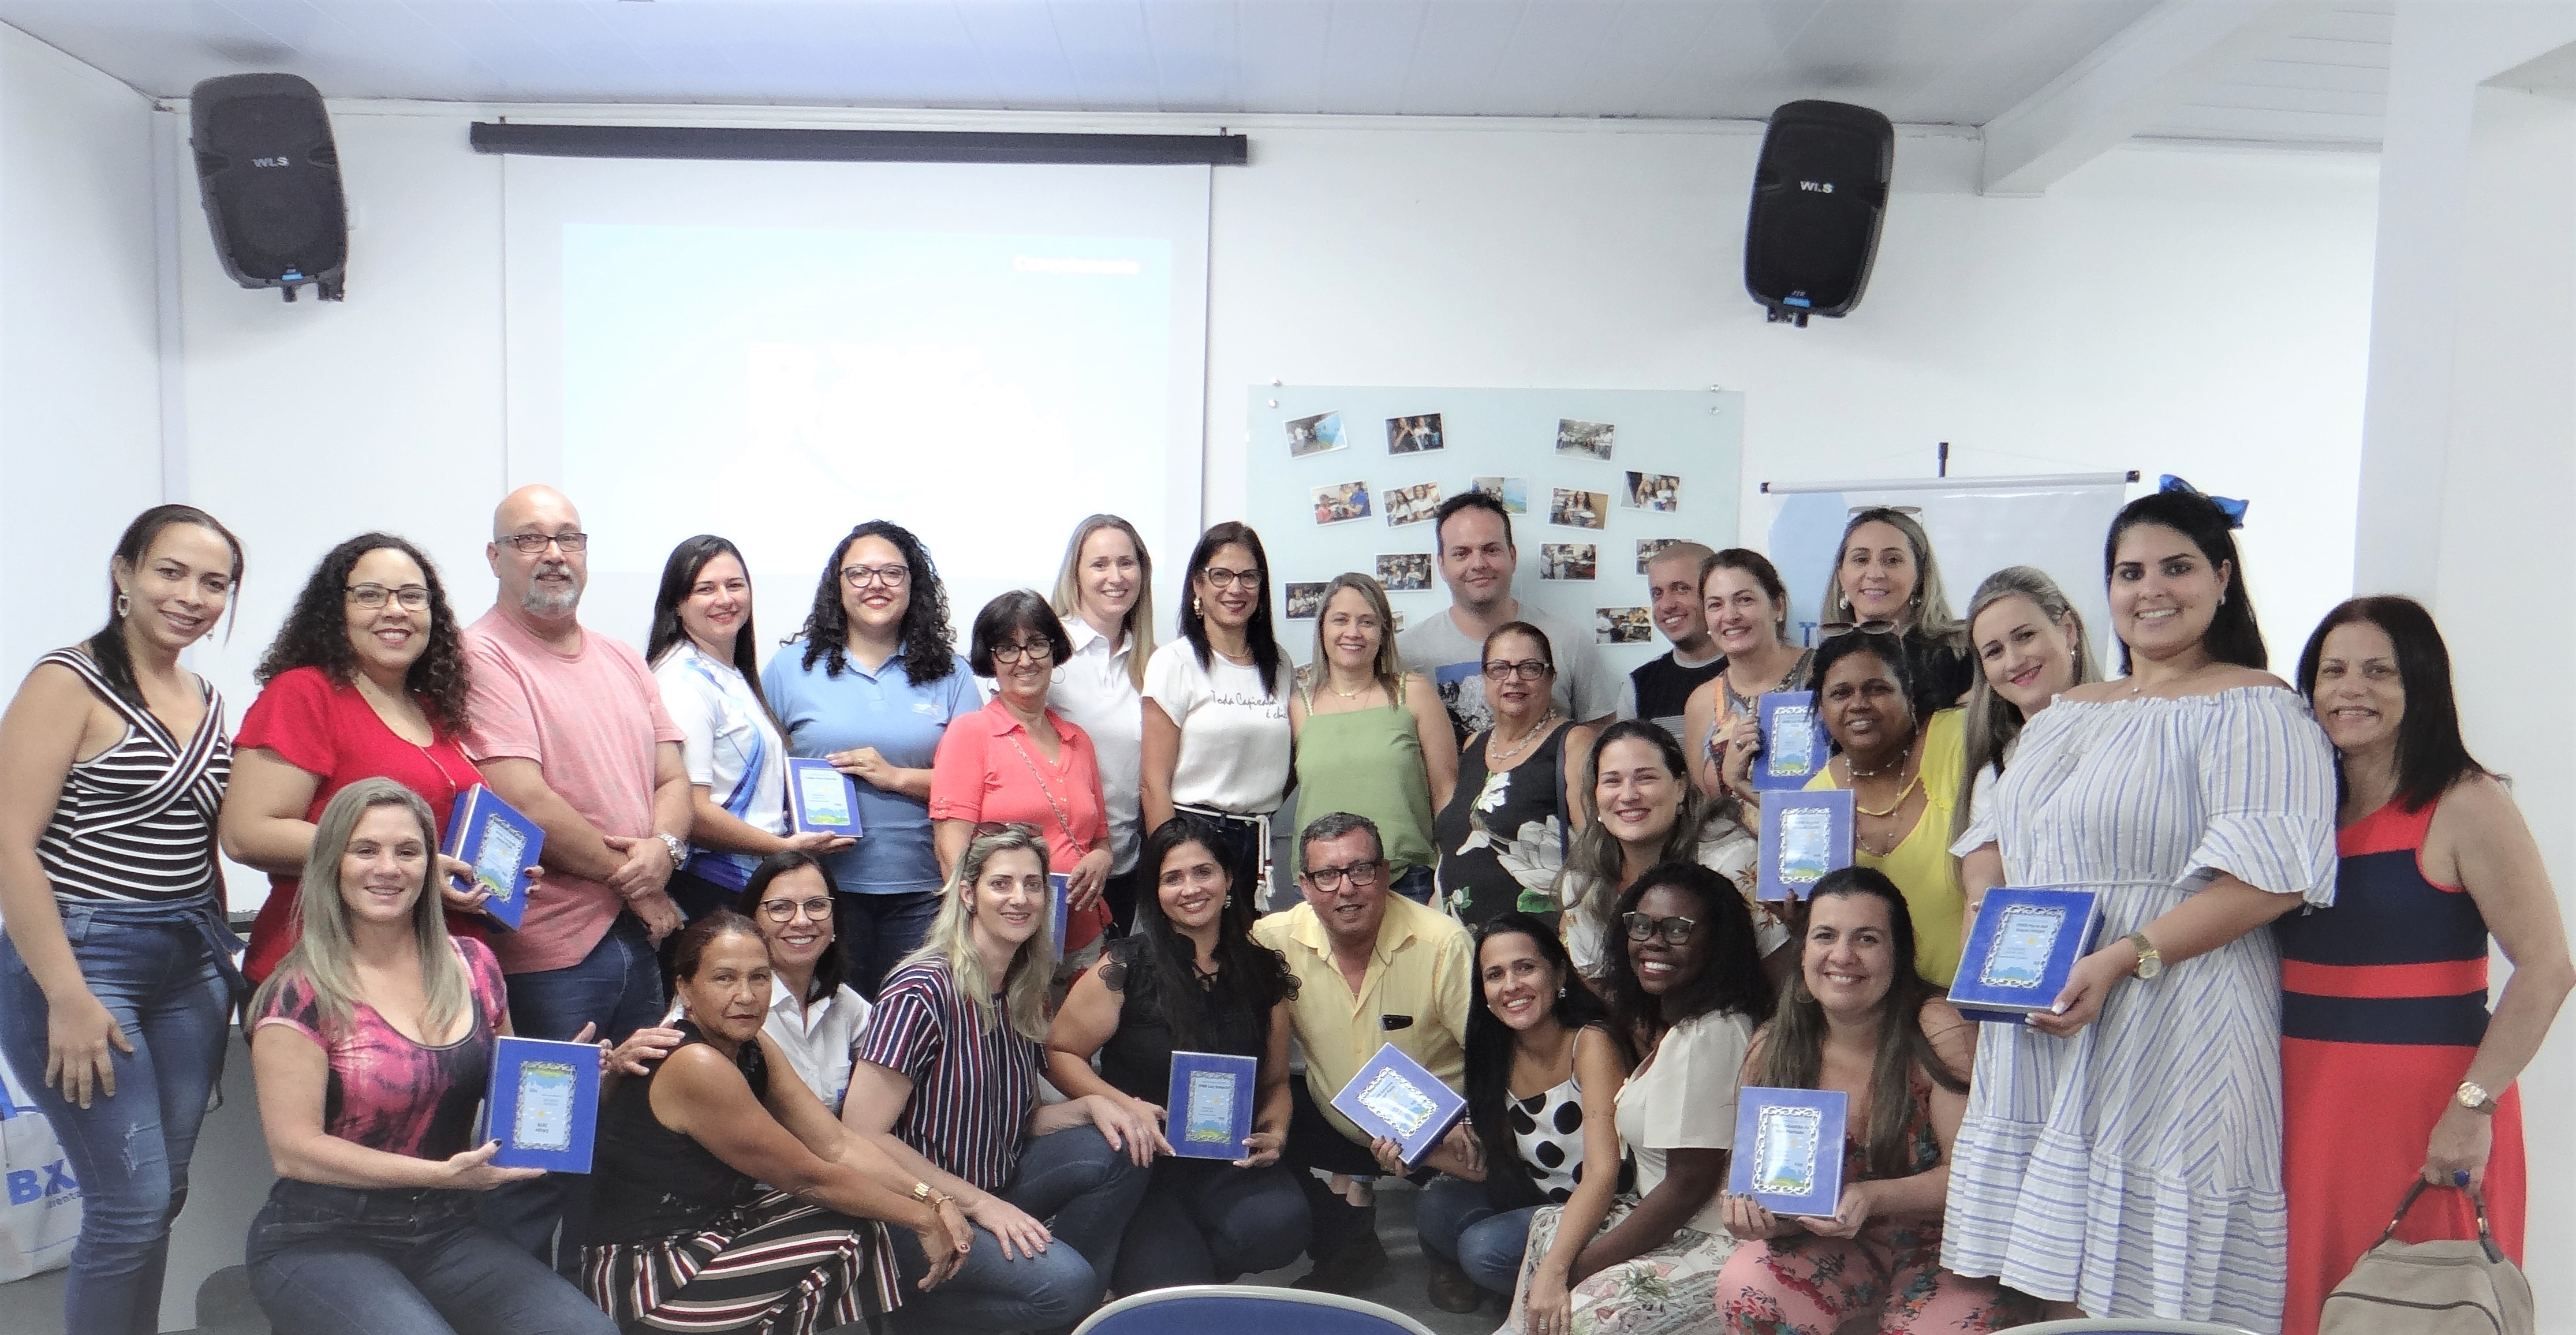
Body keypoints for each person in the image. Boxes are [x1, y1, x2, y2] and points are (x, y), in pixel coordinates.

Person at [1943, 487, 2336, 1329]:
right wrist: (1986, 917)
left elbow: (2272, 880)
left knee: (2144, 1293)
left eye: (2175, 568)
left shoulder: (2258, 707)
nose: (2150, 590)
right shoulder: (2063, 715)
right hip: (2048, 1013)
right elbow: (1997, 833)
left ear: (2222, 578)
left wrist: (2121, 959)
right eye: (2129, 573)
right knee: (2045, 1278)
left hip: (2173, 1014)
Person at [2277, 597, 2573, 1335]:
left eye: (2378, 672)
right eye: (2332, 671)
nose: (2351, 689)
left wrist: (2472, 1108)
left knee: (2422, 1310)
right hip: (2301, 1108)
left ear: (2421, 685)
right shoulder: (2300, 812)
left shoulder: (2465, 802)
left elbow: (2547, 966)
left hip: (2426, 1120)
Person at [242, 780, 619, 1335]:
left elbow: (506, 1104)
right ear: (333, 863)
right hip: (321, 1238)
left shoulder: (475, 964)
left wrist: (575, 1077)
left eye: (408, 851)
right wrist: (443, 1175)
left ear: (431, 865)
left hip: (445, 1230)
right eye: (365, 849)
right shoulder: (299, 991)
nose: (388, 868)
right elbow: (296, 1152)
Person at [0, 504, 244, 1335]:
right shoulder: (66, 680)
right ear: (124, 573)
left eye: (214, 583)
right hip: (84, 957)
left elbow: (201, 844)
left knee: (160, 1197)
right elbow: (11, 844)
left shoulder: (209, 699)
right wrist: (65, 995)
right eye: (171, 572)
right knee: (129, 1204)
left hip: (191, 959)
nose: (191, 596)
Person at [460, 485, 693, 1257]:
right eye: (529, 539)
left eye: (568, 537)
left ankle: (592, 1304)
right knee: (538, 1160)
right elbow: (521, 797)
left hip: (633, 943)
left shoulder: (622, 657)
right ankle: (515, 1304)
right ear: (495, 557)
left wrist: (664, 850)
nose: (553, 553)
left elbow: (672, 778)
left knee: (626, 1148)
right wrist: (641, 880)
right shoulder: (481, 655)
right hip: (548, 954)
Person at [584, 910, 970, 1334]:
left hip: (708, 1230)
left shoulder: (752, 1043)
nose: (746, 995)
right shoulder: (694, 1064)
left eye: (760, 977)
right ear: (685, 988)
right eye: (724, 978)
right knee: (847, 1222)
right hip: (643, 1272)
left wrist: (933, 1197)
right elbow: (809, 1178)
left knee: (862, 1208)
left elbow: (836, 1143)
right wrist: (922, 1217)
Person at [844, 826, 1157, 1335]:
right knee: (1068, 1286)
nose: (1020, 898)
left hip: (993, 1180)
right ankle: (913, 1318)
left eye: (1033, 884)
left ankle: (1058, 1306)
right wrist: (980, 1205)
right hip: (917, 1206)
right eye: (1001, 883)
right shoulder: (921, 990)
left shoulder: (1021, 986)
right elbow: (862, 1133)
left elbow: (1017, 1118)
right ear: (969, 894)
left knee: (1126, 1143)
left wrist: (1090, 1106)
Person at [1712, 867, 2032, 1334]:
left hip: (1948, 1247)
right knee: (1746, 1285)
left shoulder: (1938, 1026)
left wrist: (1872, 1196)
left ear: (1898, 953)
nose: (1843, 955)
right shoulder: (1772, 1045)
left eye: (1867, 938)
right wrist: (1760, 1220)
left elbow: (1976, 1176)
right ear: (1804, 950)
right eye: (1825, 935)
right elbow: (1757, 1185)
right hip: (1833, 1247)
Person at [1498, 862, 1771, 1335]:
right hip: (1674, 1224)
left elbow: (1688, 1186)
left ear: (1717, 941)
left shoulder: (1711, 1032)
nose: (1653, 941)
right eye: (1641, 925)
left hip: (1712, 1240)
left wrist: (1579, 1269)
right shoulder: (1681, 1026)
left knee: (1583, 1312)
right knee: (1548, 1227)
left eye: (1678, 929)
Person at [1043, 815, 1308, 1292]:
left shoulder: (1261, 970)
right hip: (1141, 1160)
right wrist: (1123, 1106)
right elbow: (1060, 1051)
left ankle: (1196, 1259)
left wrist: (1277, 1132)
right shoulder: (1125, 966)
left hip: (1225, 1157)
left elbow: (1275, 1082)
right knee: (1171, 1288)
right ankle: (1169, 1260)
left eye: (1203, 872)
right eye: (1173, 878)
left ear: (1228, 879)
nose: (1191, 889)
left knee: (1281, 1226)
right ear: (1156, 891)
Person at [226, 533, 493, 986]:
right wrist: (415, 864)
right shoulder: (304, 693)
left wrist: (498, 876)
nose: (395, 610)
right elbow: (247, 833)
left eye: (412, 596)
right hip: (325, 973)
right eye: (370, 595)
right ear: (336, 610)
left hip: (431, 970)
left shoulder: (431, 707)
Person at [1253, 812, 1474, 1293]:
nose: (1346, 889)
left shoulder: (1443, 944)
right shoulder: (1272, 941)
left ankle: (1448, 1250)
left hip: (1437, 1133)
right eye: (1327, 875)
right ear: (1304, 886)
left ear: (1386, 871)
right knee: (1248, 1114)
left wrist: (1471, 1123)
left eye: (1361, 869)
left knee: (1473, 1188)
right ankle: (1348, 1244)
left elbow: (1493, 1056)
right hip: (1335, 1118)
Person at [764, 521, 977, 999]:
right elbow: (763, 774)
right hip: (819, 893)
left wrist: (897, 777)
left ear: (913, 584)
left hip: (924, 888)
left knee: (914, 1022)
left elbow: (975, 782)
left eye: (891, 573)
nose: (875, 584)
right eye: (859, 573)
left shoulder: (952, 672)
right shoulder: (790, 669)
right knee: (827, 1019)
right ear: (837, 585)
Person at [1378, 913, 1629, 1313]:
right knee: (1437, 1204)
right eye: (1494, 975)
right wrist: (1414, 1156)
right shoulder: (1496, 1053)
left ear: (1559, 974)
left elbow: (1603, 1175)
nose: (1511, 986)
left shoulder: (1591, 1042)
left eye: (1525, 967)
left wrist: (1552, 1270)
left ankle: (1551, 1290)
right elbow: (1498, 1167)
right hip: (1545, 1201)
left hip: (1610, 1209)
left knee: (1483, 1250)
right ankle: (1527, 1284)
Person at [1725, 631, 1969, 988]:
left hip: (1973, 996)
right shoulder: (1815, 796)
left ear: (1909, 695)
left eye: (1877, 689)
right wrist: (1803, 920)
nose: (1859, 704)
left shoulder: (1958, 739)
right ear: (1821, 711)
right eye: (1841, 694)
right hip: (1878, 1004)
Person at [647, 534, 849, 929]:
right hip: (711, 885)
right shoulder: (684, 681)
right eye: (706, 589)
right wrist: (783, 847)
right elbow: (691, 811)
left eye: (735, 585)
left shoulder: (728, 672)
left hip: (744, 880)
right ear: (677, 602)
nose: (725, 599)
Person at [931, 591, 1114, 971]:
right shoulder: (970, 733)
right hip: (1005, 944)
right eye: (1008, 649)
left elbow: (1100, 839)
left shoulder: (1078, 740)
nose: (1025, 660)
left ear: (1054, 651)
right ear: (990, 659)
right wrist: (985, 943)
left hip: (1083, 937)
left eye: (1036, 644)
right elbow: (952, 855)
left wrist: (1101, 858)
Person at [1562, 721, 1790, 986]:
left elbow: (1780, 978)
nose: (1628, 795)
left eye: (1646, 778)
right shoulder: (1583, 880)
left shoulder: (1730, 862)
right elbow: (1601, 987)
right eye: (1612, 781)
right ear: (1595, 795)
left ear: (1681, 787)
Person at [1141, 522, 1292, 917]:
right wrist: (1173, 864)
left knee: (1248, 950)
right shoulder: (1174, 662)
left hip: (1260, 840)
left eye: (1248, 576)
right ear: (1198, 584)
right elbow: (1153, 782)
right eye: (1221, 575)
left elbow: (1289, 760)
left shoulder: (1279, 664)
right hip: (1195, 835)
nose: (1235, 588)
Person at [1289, 573, 1458, 902]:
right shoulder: (1298, 707)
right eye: (1341, 620)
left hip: (1408, 881)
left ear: (1384, 633)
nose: (1353, 632)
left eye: (1367, 622)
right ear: (1322, 628)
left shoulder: (1414, 693)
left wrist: (1449, 873)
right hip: (1322, 887)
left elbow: (1445, 790)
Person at [1401, 492, 1617, 742]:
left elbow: (1602, 744)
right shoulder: (1406, 655)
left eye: (1491, 550)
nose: (1478, 564)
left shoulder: (1570, 642)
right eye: (1461, 553)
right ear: (1441, 566)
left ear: (1512, 557)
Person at [1952, 566, 2098, 926]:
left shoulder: (2136, 728)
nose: (2014, 661)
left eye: (2025, 636)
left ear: (2068, 630)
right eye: (1994, 652)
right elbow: (1982, 906)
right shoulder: (1994, 774)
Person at [1432, 623, 1594, 929]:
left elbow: (1594, 849)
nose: (1513, 679)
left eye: (1530, 668)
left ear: (1551, 677)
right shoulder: (1473, 745)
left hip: (1537, 939)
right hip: (1463, 940)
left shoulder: (1573, 742)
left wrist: (1574, 925)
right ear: (1484, 677)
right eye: (1500, 668)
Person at [1047, 515, 1156, 935]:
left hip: (1125, 865)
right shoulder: (1047, 652)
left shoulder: (1155, 662)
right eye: (1100, 564)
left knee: (1114, 976)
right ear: (1075, 574)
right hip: (1055, 867)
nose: (1116, 577)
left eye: (1126, 563)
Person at [733, 850, 873, 1113]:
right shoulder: (726, 1001)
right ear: (752, 922)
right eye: (780, 908)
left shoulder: (844, 1002)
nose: (801, 921)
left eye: (817, 905)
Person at [1815, 508, 1972, 717]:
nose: (1875, 574)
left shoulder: (1960, 655)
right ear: (1841, 575)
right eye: (1861, 559)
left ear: (1920, 575)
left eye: (1893, 560)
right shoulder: (1825, 660)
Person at [1683, 550, 1813, 801]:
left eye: (1744, 600)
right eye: (1715, 605)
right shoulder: (1702, 702)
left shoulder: (1823, 676)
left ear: (1778, 606)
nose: (1730, 616)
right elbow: (1704, 809)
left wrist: (1739, 782)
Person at [1615, 542, 1721, 748]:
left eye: (1681, 589)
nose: (1666, 605)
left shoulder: (1750, 669)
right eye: (1657, 593)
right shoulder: (1638, 686)